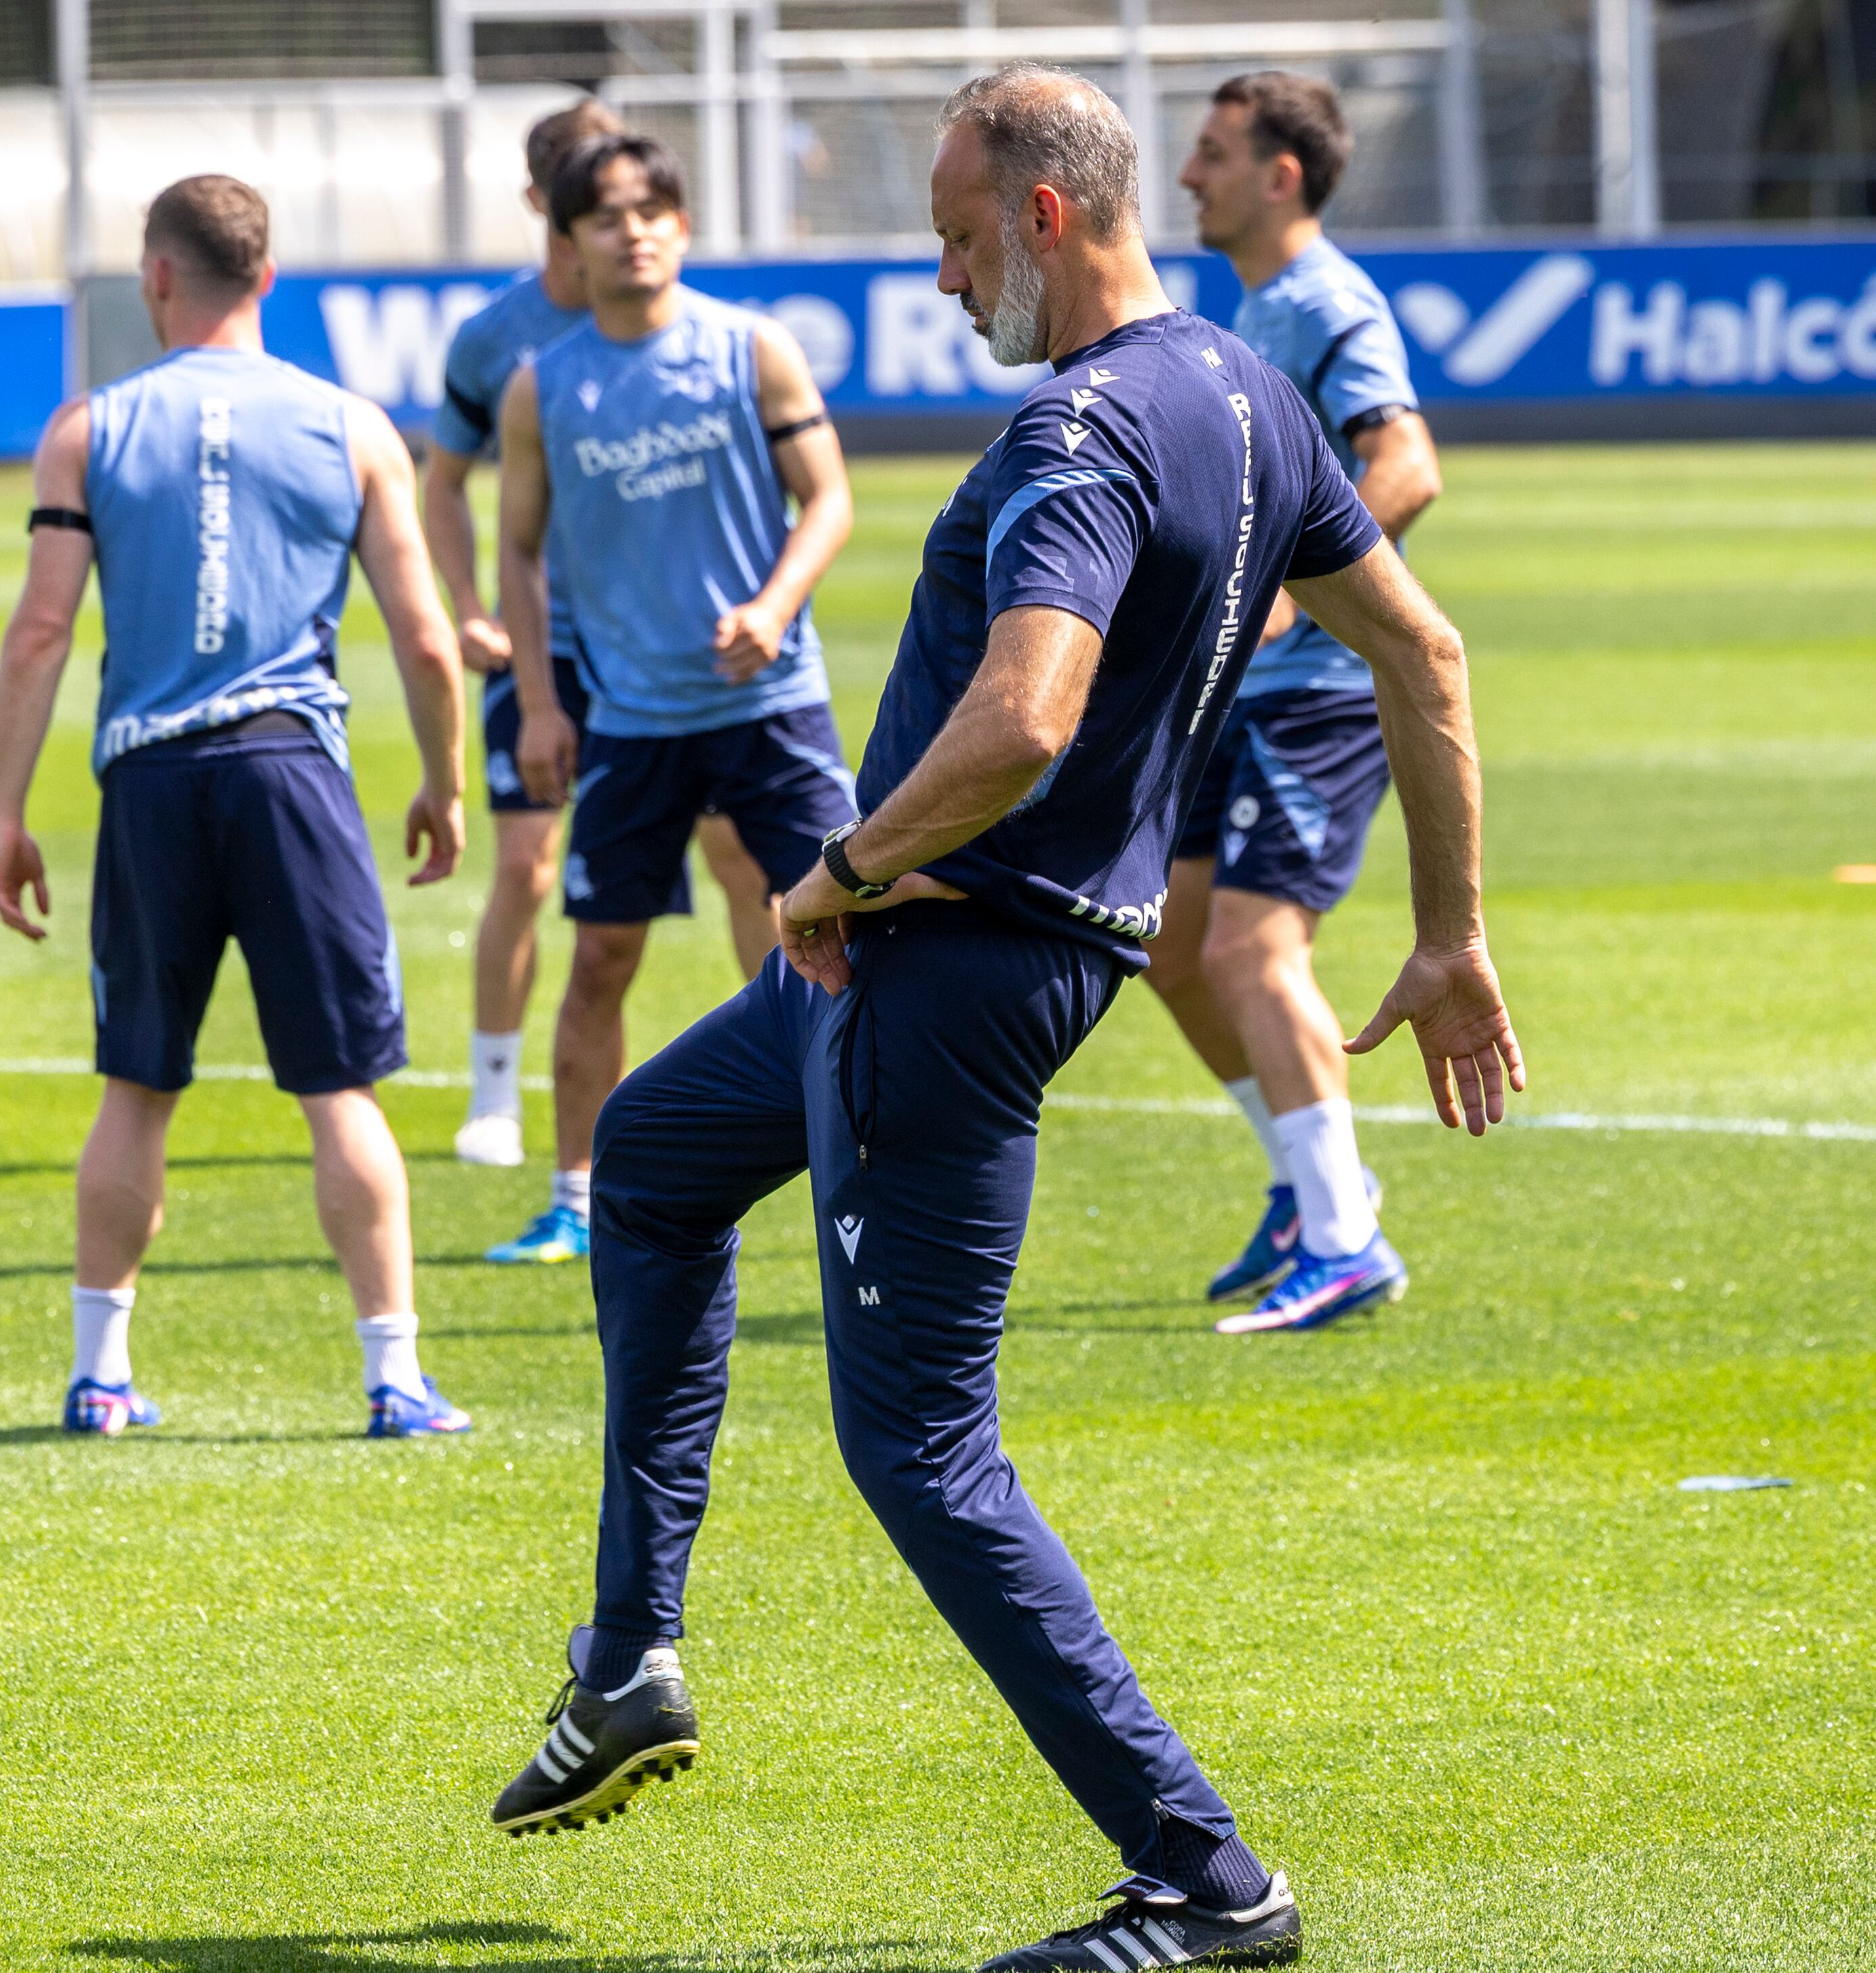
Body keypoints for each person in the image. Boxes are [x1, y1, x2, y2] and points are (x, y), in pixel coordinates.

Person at [482, 66, 1523, 1973]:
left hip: (944, 973)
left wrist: (836, 873)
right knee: (648, 1162)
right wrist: (1448, 932)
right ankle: (628, 1655)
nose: (951, 282)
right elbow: (1427, 652)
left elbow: (1028, 714)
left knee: (923, 1456)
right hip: (943, 961)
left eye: (963, 240)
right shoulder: (1243, 392)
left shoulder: (1081, 430)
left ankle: (1208, 1882)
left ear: (1047, 214)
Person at [0, 174, 477, 1440]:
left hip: (149, 778)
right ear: (268, 278)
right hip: (289, 773)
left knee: (137, 1086)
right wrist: (445, 781)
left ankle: (100, 1375)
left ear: (156, 277)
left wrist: (6, 810)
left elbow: (42, 630)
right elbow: (425, 637)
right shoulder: (353, 427)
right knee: (340, 1088)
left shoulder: (86, 429)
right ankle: (393, 1377)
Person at [479, 130, 859, 1268]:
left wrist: (777, 604)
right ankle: (574, 1196)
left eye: (652, 211)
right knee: (601, 960)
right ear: (570, 240)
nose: (633, 232)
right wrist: (541, 706)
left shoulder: (752, 350)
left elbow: (828, 496)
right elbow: (518, 555)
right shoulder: (543, 386)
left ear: (681, 228)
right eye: (607, 216)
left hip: (772, 706)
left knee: (839, 938)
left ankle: (857, 1175)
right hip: (636, 724)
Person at [421, 99, 781, 1173]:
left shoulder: (703, 330)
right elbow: (444, 483)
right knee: (531, 868)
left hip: (665, 647)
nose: (621, 211)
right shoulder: (499, 340)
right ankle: (495, 1098)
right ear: (548, 206)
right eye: (590, 189)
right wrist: (470, 606)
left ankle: (780, 1075)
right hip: (555, 646)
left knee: (739, 858)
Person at [1160, 71, 1446, 1334]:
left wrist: (1286, 582)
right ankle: (1299, 1180)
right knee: (1170, 940)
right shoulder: (1261, 306)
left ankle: (1347, 1238)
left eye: (1213, 153)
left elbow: (1405, 463)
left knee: (1251, 948)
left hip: (1316, 691)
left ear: (1282, 175)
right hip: (1242, 685)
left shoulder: (1328, 300)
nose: (1188, 176)